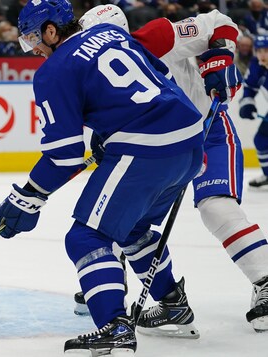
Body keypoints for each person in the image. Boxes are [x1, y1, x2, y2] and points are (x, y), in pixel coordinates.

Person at [0, 0, 205, 354]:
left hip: (146, 146)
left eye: (34, 37)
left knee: (85, 238)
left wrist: (27, 196)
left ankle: (115, 326)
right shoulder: (109, 32)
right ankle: (172, 303)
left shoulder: (53, 70)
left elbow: (64, 156)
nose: (33, 48)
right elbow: (163, 79)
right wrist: (115, 130)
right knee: (132, 229)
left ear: (51, 30)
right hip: (189, 140)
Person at [81, 4, 268, 335]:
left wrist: (221, 57)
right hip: (164, 149)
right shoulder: (96, 74)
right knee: (126, 223)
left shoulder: (154, 38)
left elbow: (219, 22)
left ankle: (265, 280)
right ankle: (159, 299)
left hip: (208, 133)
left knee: (216, 208)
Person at [239, 35, 268, 189]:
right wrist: (247, 104)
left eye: (266, 50)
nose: (262, 54)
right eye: (259, 50)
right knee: (261, 139)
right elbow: (250, 87)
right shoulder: (256, 64)